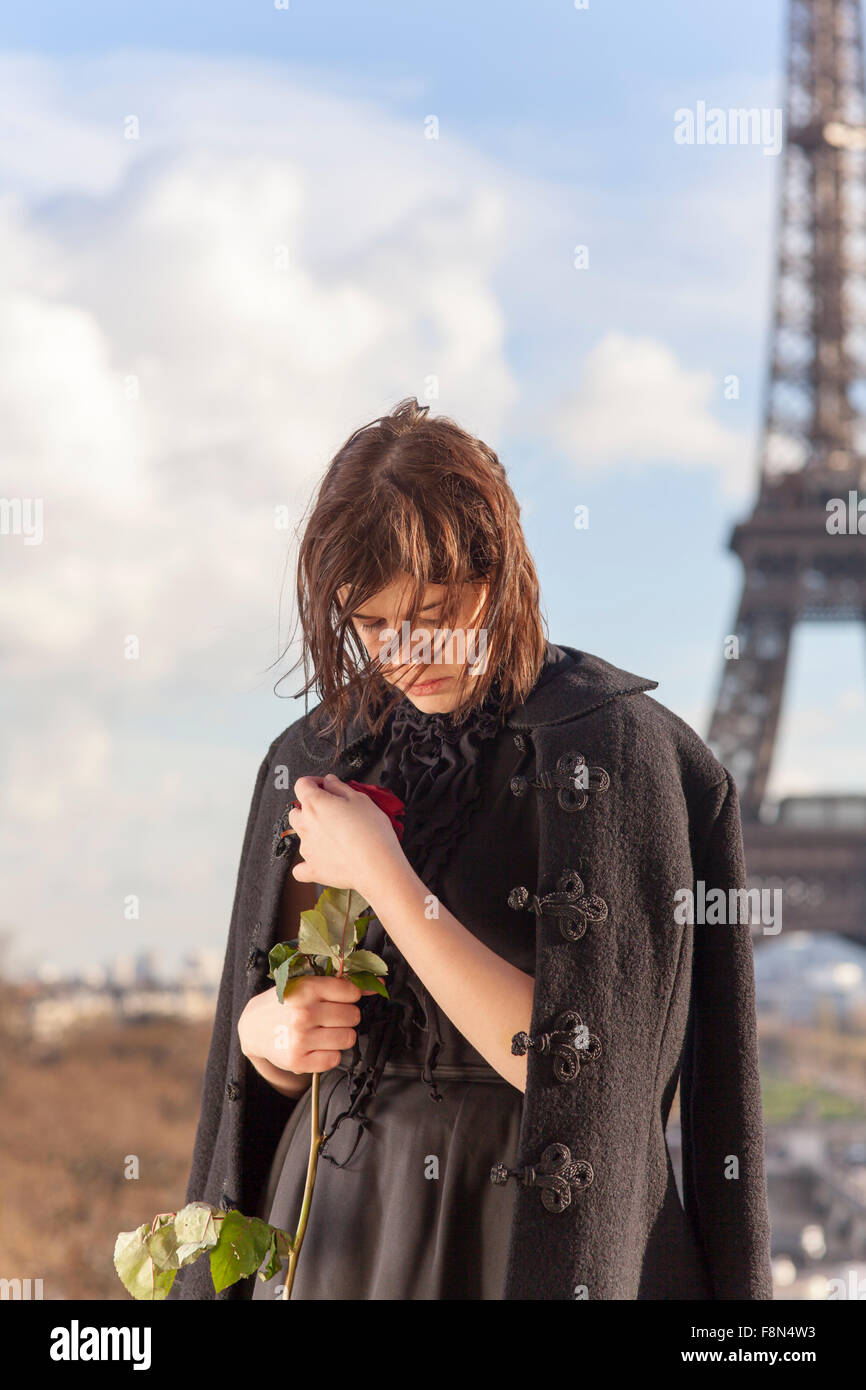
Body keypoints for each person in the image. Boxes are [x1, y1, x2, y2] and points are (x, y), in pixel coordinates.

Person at [170, 397, 773, 1301]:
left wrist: (381, 869)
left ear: (503, 572)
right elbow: (253, 1068)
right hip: (331, 1235)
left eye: (434, 611)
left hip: (529, 1238)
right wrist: (268, 1037)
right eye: (373, 626)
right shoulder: (309, 760)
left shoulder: (622, 756)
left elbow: (587, 1075)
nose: (406, 651)